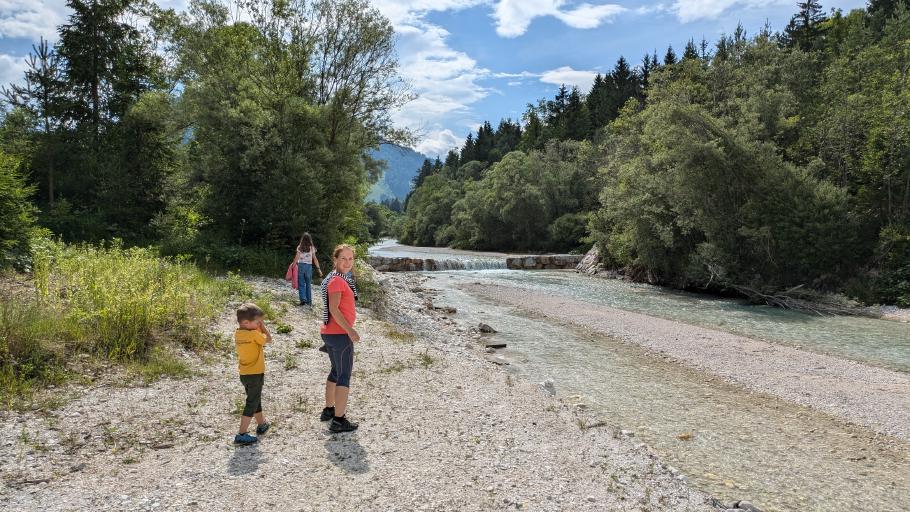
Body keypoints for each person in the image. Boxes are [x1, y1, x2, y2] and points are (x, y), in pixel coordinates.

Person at [319, 244, 360, 433]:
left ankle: (329, 409)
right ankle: (339, 420)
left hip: (330, 333)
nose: (347, 262)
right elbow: (334, 309)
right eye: (343, 258)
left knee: (336, 372)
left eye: (350, 258)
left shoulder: (334, 277)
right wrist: (350, 331)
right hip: (339, 334)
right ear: (335, 259)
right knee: (343, 376)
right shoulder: (337, 280)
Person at [234, 303, 272, 445]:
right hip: (255, 373)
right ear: (246, 322)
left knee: (255, 399)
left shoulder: (238, 334)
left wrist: (257, 324)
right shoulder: (255, 334)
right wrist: (263, 327)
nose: (259, 325)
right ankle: (241, 433)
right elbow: (268, 339)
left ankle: (261, 424)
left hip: (244, 374)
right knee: (252, 402)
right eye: (257, 322)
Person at [295, 232, 323, 306]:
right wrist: (318, 269)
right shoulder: (312, 248)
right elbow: (315, 259)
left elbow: (297, 257)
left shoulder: (299, 247)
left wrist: (293, 264)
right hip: (309, 267)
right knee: (308, 284)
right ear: (310, 239)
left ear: (302, 239)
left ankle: (303, 299)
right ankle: (309, 302)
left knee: (301, 283)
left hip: (301, 266)